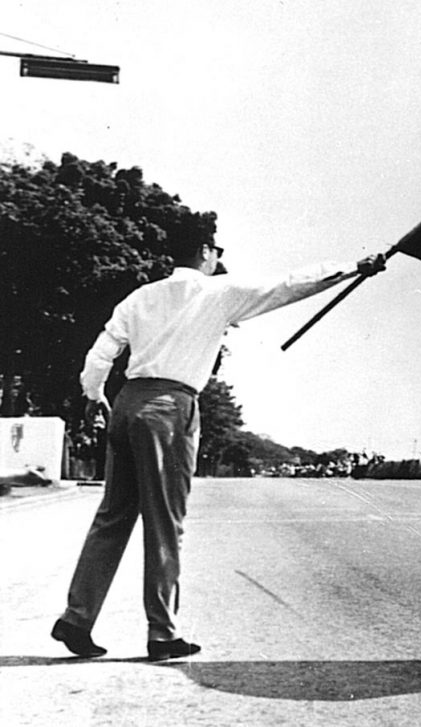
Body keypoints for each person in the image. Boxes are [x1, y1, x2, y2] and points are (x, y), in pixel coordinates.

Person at [50, 232, 386, 661]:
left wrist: (96, 395)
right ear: (205, 252)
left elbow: (101, 354)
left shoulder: (140, 296)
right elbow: (287, 286)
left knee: (112, 517)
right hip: (170, 407)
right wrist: (353, 268)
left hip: (127, 402)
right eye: (217, 253)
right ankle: (162, 633)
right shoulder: (218, 292)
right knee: (165, 521)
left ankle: (77, 616)